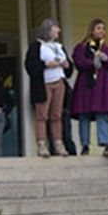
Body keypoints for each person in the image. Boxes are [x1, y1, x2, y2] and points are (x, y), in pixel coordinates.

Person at [71, 18, 108, 156]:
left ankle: (106, 143)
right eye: (99, 28)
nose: (102, 31)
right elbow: (79, 63)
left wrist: (106, 59)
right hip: (85, 84)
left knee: (102, 112)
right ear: (92, 30)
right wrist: (92, 63)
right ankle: (85, 145)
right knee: (84, 114)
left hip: (102, 84)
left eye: (103, 29)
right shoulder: (82, 47)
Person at [25, 19, 71, 157]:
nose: (58, 31)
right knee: (42, 115)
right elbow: (30, 65)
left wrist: (67, 65)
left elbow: (69, 67)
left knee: (57, 115)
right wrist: (45, 64)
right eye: (56, 28)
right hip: (44, 83)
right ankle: (41, 145)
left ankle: (58, 144)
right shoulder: (37, 46)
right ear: (48, 30)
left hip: (59, 82)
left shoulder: (59, 46)